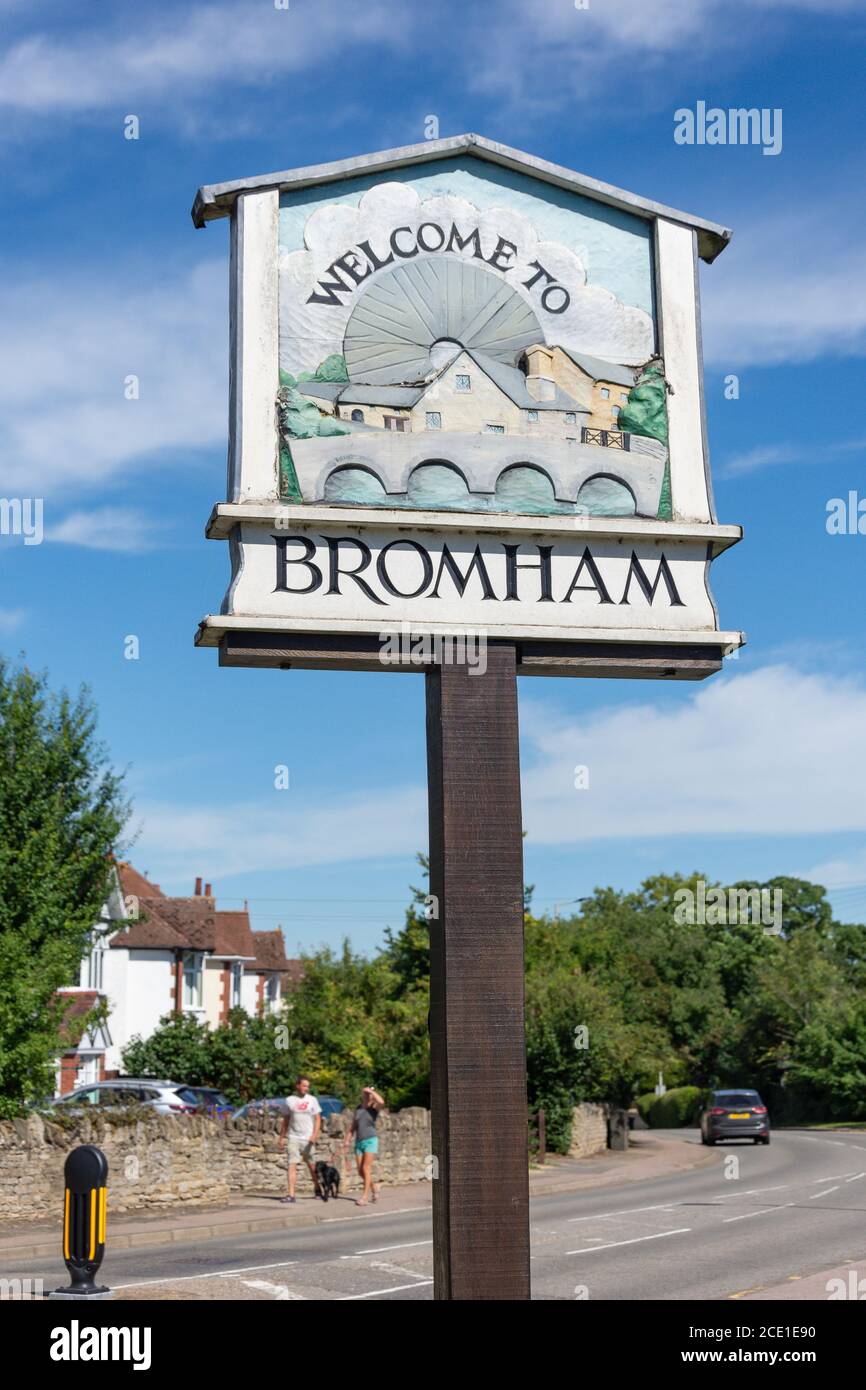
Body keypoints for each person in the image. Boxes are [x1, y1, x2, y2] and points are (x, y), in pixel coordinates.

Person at [277, 1075, 322, 1203]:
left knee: (312, 1166)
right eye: (303, 1086)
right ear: (297, 1086)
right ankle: (291, 1195)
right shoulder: (289, 1100)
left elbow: (318, 1118)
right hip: (293, 1137)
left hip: (308, 1138)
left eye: (307, 1086)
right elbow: (285, 1120)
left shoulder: (312, 1100)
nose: (306, 1088)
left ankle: (317, 1188)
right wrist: (281, 1138)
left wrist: (315, 1134)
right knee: (292, 1164)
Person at [344, 1085, 384, 1206]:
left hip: (370, 1140)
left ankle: (365, 1197)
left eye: (369, 1095)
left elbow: (381, 1101)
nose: (367, 1096)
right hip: (359, 1141)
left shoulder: (374, 1108)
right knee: (361, 1171)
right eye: (365, 1094)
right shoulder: (358, 1109)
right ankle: (374, 1188)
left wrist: (371, 1091)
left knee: (366, 1168)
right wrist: (347, 1139)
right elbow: (353, 1126)